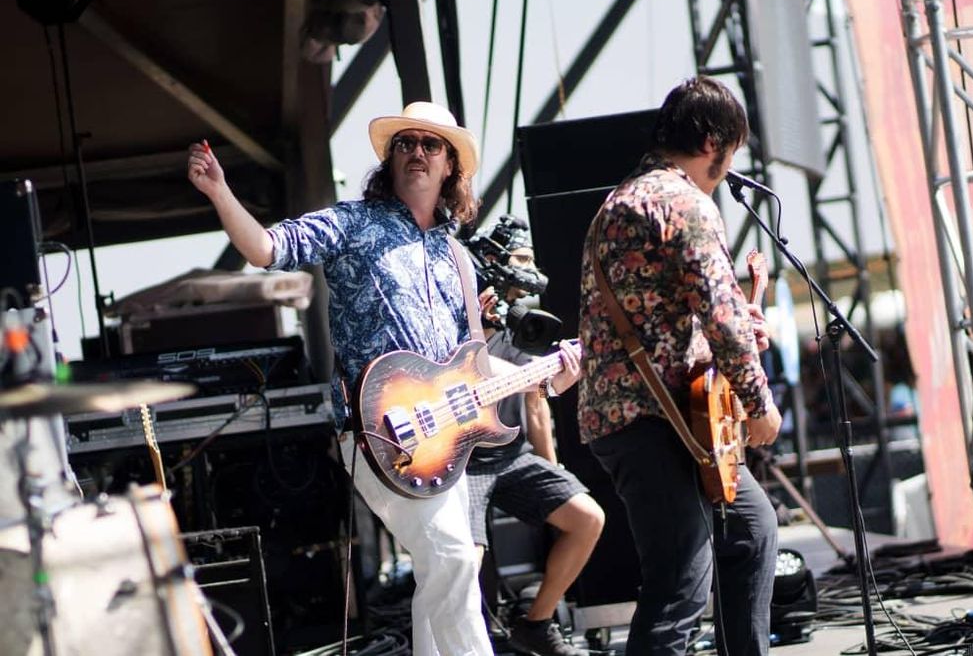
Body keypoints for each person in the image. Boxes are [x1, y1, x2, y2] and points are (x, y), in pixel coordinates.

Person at [187, 101, 578, 656]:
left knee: (449, 564)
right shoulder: (351, 223)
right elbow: (266, 249)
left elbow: (473, 364)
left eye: (431, 144)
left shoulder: (456, 258)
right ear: (391, 159)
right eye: (406, 143)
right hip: (375, 431)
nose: (417, 152)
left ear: (450, 168)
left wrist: (543, 375)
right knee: (450, 556)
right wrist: (220, 192)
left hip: (442, 436)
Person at [578, 77, 783, 656]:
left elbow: (670, 315)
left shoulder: (619, 202)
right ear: (714, 139)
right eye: (732, 150)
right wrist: (759, 405)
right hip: (653, 422)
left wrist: (741, 328)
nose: (729, 166)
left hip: (651, 418)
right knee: (679, 586)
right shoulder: (686, 203)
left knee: (751, 530)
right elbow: (719, 318)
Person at [466, 226, 604, 656]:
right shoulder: (462, 310)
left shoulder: (525, 321)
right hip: (460, 460)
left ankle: (536, 623)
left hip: (510, 456)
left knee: (587, 518)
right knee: (464, 563)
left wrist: (552, 472)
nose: (527, 270)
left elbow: (536, 402)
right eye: (520, 259)